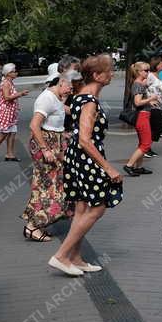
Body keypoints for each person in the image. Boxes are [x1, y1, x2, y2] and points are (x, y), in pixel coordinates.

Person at [49, 54, 121, 277]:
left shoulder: (82, 97)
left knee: (81, 208)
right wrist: (109, 168)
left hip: (78, 157)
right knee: (97, 207)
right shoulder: (89, 101)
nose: (112, 73)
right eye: (109, 70)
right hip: (86, 157)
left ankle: (75, 258)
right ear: (97, 76)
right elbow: (85, 140)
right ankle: (61, 255)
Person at [22, 66, 77, 242]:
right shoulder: (46, 98)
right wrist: (45, 149)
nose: (72, 89)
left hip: (54, 144)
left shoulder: (55, 97)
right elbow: (34, 125)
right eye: (70, 85)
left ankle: (38, 223)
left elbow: (61, 114)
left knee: (51, 186)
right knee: (47, 187)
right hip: (46, 146)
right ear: (61, 82)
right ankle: (32, 227)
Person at [0, 63, 29, 162]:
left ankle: (10, 154)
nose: (16, 72)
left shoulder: (10, 82)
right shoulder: (5, 83)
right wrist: (20, 94)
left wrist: (17, 106)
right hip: (5, 111)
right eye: (14, 71)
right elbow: (7, 97)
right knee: (3, 133)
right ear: (8, 73)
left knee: (12, 133)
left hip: (11, 112)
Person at [124, 62, 157, 177]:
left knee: (142, 143)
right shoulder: (138, 84)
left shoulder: (139, 84)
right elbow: (137, 103)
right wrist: (150, 99)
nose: (148, 72)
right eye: (145, 70)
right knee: (146, 144)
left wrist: (149, 102)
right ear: (138, 72)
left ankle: (139, 167)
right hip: (142, 117)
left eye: (148, 70)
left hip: (144, 115)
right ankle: (129, 166)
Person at [146, 55, 162, 151]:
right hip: (153, 107)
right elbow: (142, 88)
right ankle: (145, 148)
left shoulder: (158, 75)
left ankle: (147, 148)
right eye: (161, 63)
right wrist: (149, 100)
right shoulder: (150, 76)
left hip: (160, 106)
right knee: (157, 128)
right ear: (155, 64)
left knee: (157, 128)